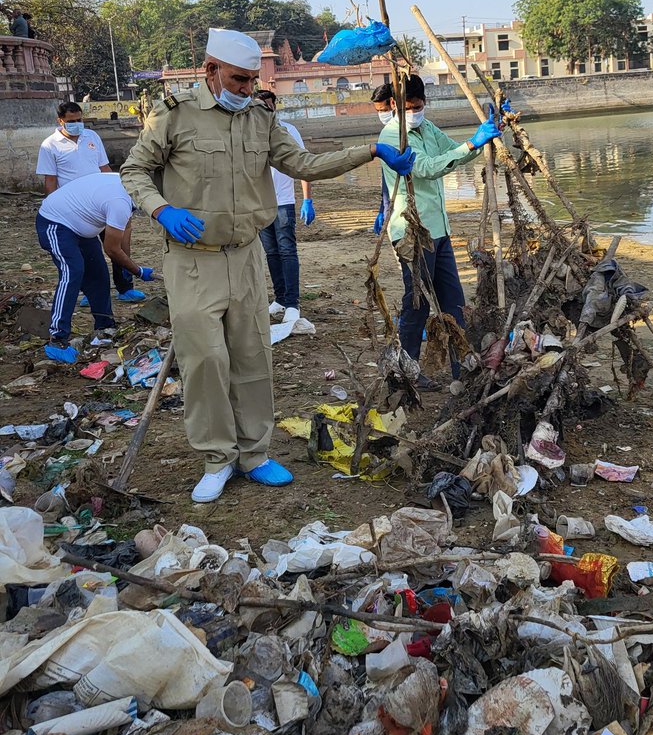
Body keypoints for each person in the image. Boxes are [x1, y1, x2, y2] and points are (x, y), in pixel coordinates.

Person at [120, 28, 415, 504]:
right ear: (211, 70)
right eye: (238, 79)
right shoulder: (173, 116)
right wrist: (161, 210)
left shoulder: (260, 117)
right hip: (192, 261)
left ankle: (254, 454)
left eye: (251, 80)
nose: (245, 89)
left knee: (253, 357)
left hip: (246, 256)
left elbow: (302, 163)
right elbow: (133, 170)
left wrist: (372, 150)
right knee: (205, 362)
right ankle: (218, 459)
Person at [377, 73, 503, 382]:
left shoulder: (427, 128)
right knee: (417, 304)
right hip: (412, 231)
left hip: (439, 229)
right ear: (395, 105)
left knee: (453, 301)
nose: (416, 112)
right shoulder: (392, 137)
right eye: (410, 107)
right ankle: (406, 372)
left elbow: (453, 154)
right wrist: (471, 143)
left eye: (420, 105)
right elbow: (427, 169)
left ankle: (464, 367)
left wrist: (482, 137)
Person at [36, 172, 155, 364]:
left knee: (98, 274)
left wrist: (129, 267)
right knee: (72, 271)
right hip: (55, 222)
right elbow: (112, 249)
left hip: (81, 227)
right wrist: (138, 271)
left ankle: (104, 326)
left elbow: (124, 234)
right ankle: (57, 339)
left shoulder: (128, 190)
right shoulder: (120, 202)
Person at [36, 102, 145, 303]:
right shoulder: (50, 145)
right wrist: (54, 207)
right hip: (77, 209)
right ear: (60, 121)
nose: (77, 124)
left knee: (118, 245)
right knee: (87, 253)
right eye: (72, 121)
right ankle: (91, 292)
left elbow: (104, 168)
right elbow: (50, 181)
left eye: (79, 120)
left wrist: (119, 193)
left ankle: (124, 287)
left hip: (103, 200)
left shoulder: (92, 137)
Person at [254, 89, 314, 328]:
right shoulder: (250, 133)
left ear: (274, 107)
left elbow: (303, 164)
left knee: (287, 250)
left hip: (283, 202)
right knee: (271, 252)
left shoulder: (287, 131)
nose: (265, 111)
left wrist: (307, 199)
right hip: (261, 203)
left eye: (268, 106)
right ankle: (279, 298)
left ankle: (292, 303)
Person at [371, 84, 393, 234]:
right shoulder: (386, 133)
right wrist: (382, 207)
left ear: (393, 103)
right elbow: (386, 176)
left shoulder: (405, 131)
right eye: (378, 111)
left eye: (384, 111)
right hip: (389, 195)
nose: (382, 115)